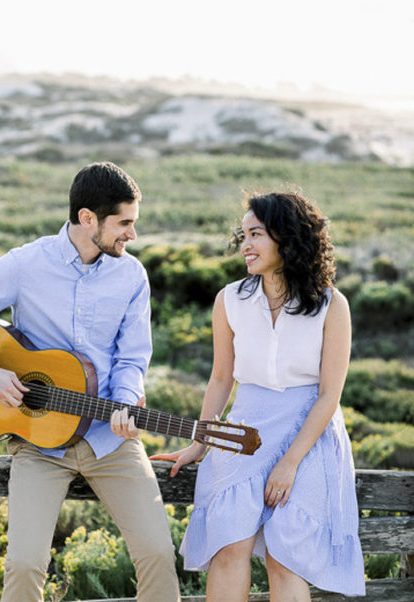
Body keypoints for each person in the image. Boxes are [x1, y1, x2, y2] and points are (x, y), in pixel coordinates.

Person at [0, 161, 181, 602]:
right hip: (38, 445)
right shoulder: (26, 264)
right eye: (124, 223)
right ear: (88, 219)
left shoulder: (131, 276)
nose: (132, 235)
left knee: (159, 554)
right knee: (24, 565)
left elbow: (133, 356)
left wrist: (123, 402)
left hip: (108, 438)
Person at [152, 192, 365, 601]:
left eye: (256, 235)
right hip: (244, 428)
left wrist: (289, 463)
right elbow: (219, 380)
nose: (244, 245)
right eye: (243, 234)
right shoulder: (229, 299)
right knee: (229, 547)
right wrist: (201, 441)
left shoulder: (331, 305)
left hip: (309, 435)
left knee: (286, 555)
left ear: (287, 238)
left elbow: (329, 395)